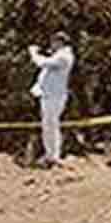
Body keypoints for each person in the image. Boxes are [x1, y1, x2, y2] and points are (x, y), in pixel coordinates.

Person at [29, 31, 74, 167]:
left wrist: (33, 53)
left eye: (53, 42)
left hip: (55, 96)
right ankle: (50, 155)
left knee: (51, 126)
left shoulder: (64, 56)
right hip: (49, 95)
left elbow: (41, 63)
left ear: (59, 42)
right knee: (48, 126)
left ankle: (53, 156)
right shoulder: (60, 55)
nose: (51, 45)